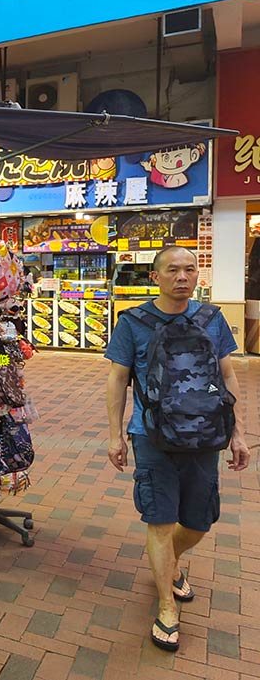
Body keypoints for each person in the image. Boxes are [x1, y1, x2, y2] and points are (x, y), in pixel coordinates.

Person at [104, 246, 249, 652]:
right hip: (151, 436)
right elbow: (117, 380)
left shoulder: (211, 318)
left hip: (205, 435)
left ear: (197, 275)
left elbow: (227, 377)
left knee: (199, 523)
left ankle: (169, 564)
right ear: (155, 277)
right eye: (172, 270)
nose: (182, 277)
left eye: (189, 269)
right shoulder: (132, 322)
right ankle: (167, 605)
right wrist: (114, 434)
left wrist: (238, 433)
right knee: (160, 521)